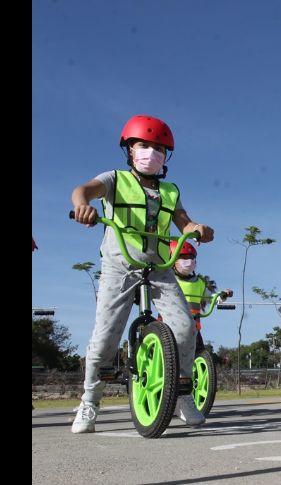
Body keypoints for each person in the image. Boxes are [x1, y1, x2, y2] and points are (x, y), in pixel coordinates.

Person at [70, 114, 214, 433]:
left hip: (159, 266)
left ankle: (181, 395)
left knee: (185, 329)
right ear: (130, 150)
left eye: (159, 148)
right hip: (120, 264)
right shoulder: (115, 180)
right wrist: (83, 206)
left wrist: (197, 229)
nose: (151, 153)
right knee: (106, 335)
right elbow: (83, 190)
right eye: (144, 146)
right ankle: (90, 402)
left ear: (166, 157)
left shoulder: (170, 191)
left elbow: (184, 222)